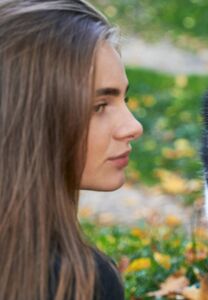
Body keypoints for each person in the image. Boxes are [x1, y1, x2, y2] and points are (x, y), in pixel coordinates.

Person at [0, 0, 143, 299]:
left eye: (123, 100)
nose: (133, 126)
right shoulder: (80, 281)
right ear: (28, 118)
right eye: (99, 106)